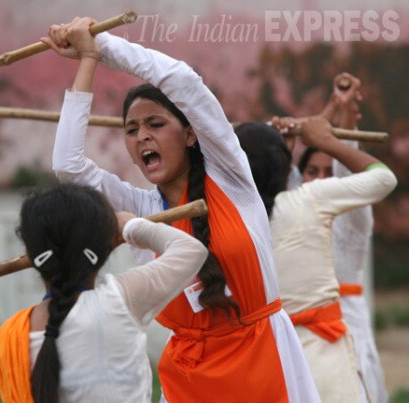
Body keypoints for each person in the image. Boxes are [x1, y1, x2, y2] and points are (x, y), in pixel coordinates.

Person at [44, 17, 319, 403]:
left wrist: (103, 46)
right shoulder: (139, 210)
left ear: (190, 134)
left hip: (265, 368)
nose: (142, 137)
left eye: (155, 124)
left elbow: (182, 80)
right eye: (132, 129)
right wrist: (86, 61)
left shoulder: (230, 178)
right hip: (187, 381)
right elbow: (68, 167)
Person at [0, 183, 208, 402]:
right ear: (107, 247)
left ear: (31, 254)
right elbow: (191, 250)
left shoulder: (8, 336)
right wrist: (130, 226)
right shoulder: (117, 300)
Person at [237, 110, 397, 402]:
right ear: (289, 170)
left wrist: (279, 153)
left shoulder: (229, 221)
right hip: (325, 360)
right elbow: (384, 179)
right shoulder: (310, 198)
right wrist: (328, 141)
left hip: (268, 361)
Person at [283, 73, 389, 403]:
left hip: (346, 326)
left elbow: (352, 173)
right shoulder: (293, 210)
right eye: (312, 172)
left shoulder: (352, 219)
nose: (319, 179)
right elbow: (284, 177)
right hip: (298, 330)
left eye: (328, 173)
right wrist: (332, 107)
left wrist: (343, 120)